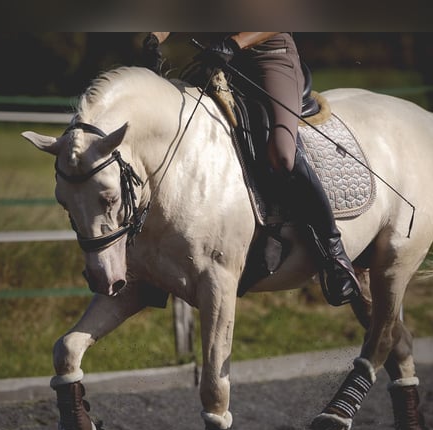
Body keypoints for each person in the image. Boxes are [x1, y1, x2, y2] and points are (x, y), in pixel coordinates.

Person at [141, 32, 361, 307]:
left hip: (269, 60)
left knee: (283, 155)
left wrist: (233, 43)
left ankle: (334, 253)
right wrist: (153, 38)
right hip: (221, 64)